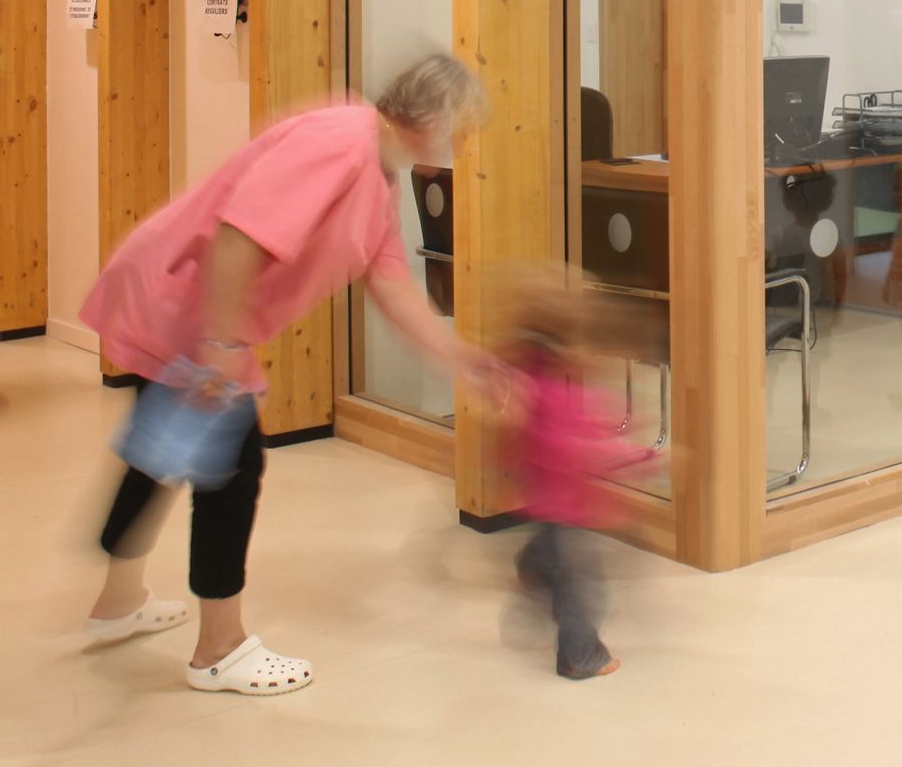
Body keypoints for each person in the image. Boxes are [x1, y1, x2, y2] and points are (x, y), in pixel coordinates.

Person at [80, 53, 507, 696]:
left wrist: (466, 364)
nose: (461, 144)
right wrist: (221, 343)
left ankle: (118, 602)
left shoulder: (378, 177)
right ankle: (219, 649)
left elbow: (393, 290)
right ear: (432, 117)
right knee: (231, 466)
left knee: (165, 447)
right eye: (461, 127)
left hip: (187, 305)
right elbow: (239, 234)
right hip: (188, 304)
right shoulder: (341, 142)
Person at [502, 278, 651, 678]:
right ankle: (580, 657)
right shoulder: (557, 396)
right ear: (563, 349)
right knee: (583, 591)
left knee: (552, 557)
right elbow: (581, 449)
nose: (594, 355)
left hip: (546, 502)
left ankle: (533, 568)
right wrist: (645, 455)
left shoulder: (538, 385)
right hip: (567, 508)